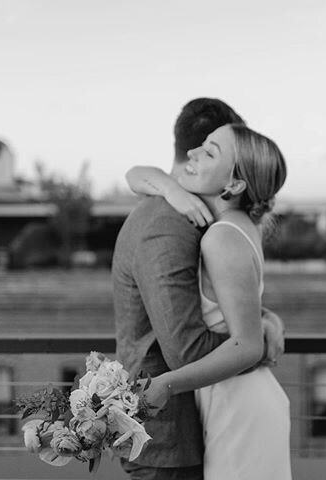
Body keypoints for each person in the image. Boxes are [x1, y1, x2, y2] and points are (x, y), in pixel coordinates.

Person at [112, 98, 285, 480]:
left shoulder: (216, 229)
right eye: (203, 146)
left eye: (211, 151)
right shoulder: (171, 221)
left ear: (235, 180)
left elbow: (193, 348)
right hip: (168, 434)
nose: (195, 154)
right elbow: (193, 347)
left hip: (196, 418)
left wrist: (255, 330)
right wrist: (258, 329)